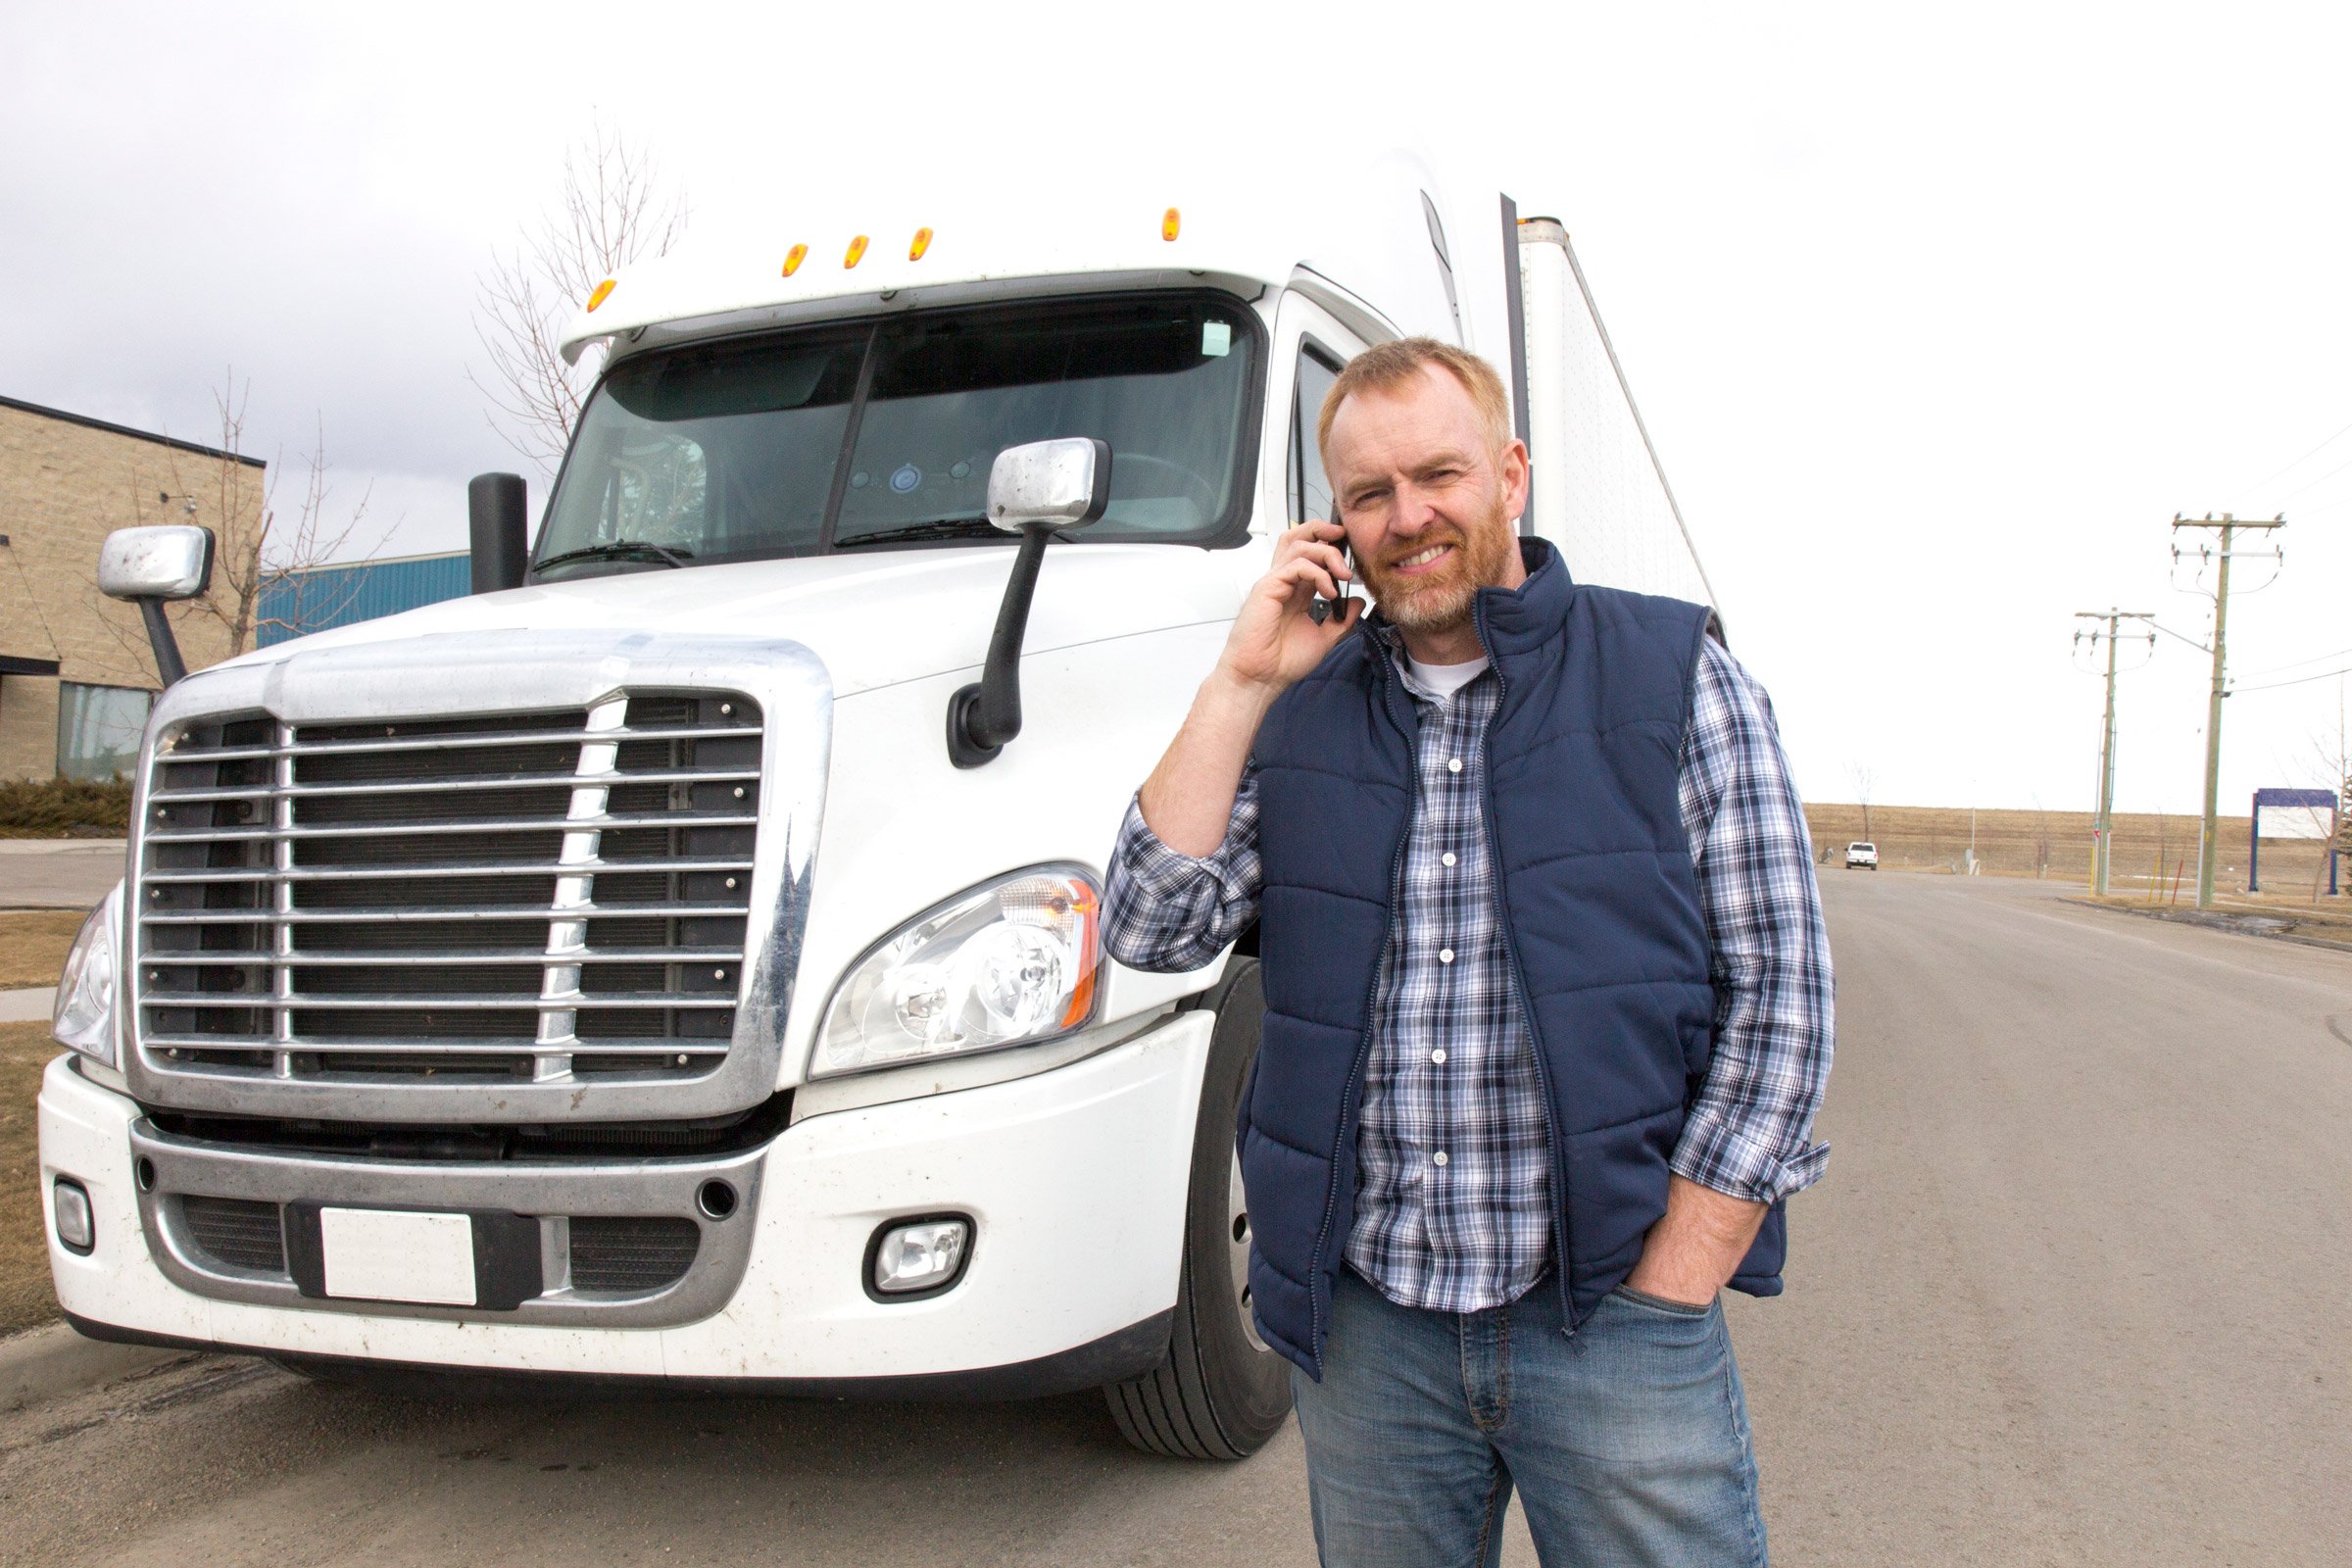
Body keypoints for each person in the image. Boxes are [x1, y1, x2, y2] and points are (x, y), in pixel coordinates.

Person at [1102, 338, 1834, 1566]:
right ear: (1335, 521)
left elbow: (1783, 1002)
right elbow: (1149, 924)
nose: (1408, 517)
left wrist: (1678, 1274)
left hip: (1610, 1316)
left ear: (1511, 474)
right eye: (1369, 495)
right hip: (1374, 1335)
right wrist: (1239, 679)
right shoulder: (1297, 710)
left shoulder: (1675, 682)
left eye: (1438, 475)